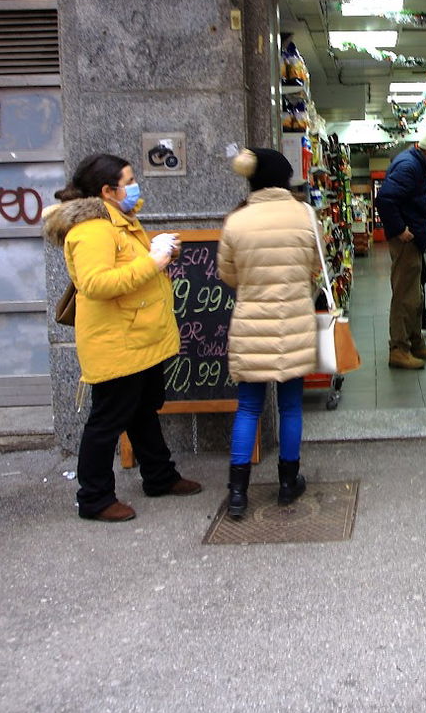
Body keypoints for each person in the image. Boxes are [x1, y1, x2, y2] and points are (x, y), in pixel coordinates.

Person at [43, 153, 202, 522]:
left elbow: (127, 269)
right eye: (128, 181)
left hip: (137, 337)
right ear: (107, 190)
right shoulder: (92, 229)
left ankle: (159, 476)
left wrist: (158, 250)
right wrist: (154, 261)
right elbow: (96, 284)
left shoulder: (118, 221)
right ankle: (94, 497)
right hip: (118, 340)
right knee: (107, 420)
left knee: (142, 411)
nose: (134, 187)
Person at [218, 147, 324, 519]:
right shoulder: (305, 216)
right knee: (290, 406)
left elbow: (228, 275)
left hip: (251, 325)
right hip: (294, 322)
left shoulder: (236, 222)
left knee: (248, 408)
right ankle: (287, 482)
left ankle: (237, 493)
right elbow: (315, 266)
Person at [374, 128, 426, 370]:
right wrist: (399, 229)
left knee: (415, 293)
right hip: (405, 239)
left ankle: (415, 342)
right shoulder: (410, 166)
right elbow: (385, 199)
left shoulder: (416, 163)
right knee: (405, 294)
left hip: (414, 237)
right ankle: (398, 349)